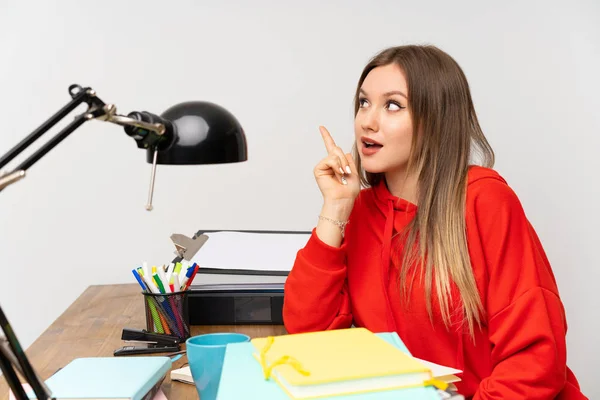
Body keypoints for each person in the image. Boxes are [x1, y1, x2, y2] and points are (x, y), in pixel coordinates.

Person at [282, 45, 587, 399]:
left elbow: (535, 360)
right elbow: (310, 339)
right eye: (364, 102)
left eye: (392, 105)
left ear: (435, 120)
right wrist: (335, 208)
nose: (368, 120)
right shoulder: (360, 211)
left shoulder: (484, 201)